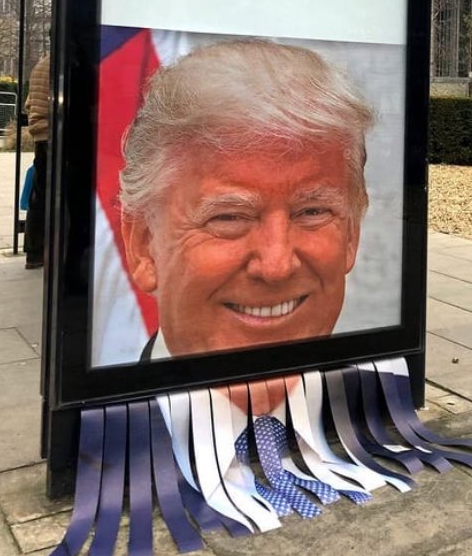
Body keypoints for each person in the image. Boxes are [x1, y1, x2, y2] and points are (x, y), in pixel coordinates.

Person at [118, 39, 375, 360]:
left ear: (351, 235)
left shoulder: (383, 407)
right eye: (229, 218)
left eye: (312, 212)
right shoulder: (99, 411)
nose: (276, 266)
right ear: (144, 245)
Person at [24, 52, 50, 270]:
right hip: (51, 136)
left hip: (42, 136)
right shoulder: (56, 65)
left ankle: (34, 252)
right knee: (44, 196)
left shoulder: (40, 66)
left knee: (39, 194)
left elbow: (29, 104)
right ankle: (37, 251)